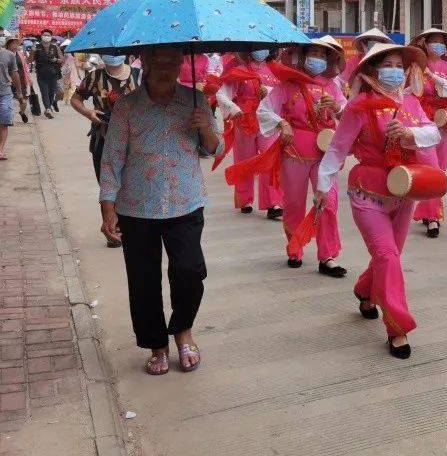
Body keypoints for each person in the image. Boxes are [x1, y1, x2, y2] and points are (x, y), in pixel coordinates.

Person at [98, 46, 222, 375]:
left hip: (186, 202)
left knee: (190, 271)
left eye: (172, 62)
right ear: (146, 64)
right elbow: (111, 159)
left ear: (182, 64)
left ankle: (183, 330)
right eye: (158, 62)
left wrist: (205, 127)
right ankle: (157, 344)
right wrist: (107, 207)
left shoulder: (195, 101)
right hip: (137, 208)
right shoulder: (127, 107)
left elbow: (214, 148)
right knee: (143, 280)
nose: (165, 68)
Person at [317, 43, 440, 358]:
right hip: (367, 192)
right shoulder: (359, 106)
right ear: (371, 71)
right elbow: (338, 148)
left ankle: (364, 291)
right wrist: (323, 183)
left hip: (404, 189)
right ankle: (397, 328)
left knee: (391, 255)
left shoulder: (410, 102)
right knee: (387, 255)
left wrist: (411, 134)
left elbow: (434, 133)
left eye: (400, 65)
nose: (395, 71)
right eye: (388, 64)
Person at [257, 37, 348, 275]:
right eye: (313, 53)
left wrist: (337, 108)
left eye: (321, 54)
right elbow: (265, 110)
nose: (316, 58)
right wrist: (281, 124)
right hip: (294, 152)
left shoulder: (333, 86)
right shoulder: (287, 85)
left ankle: (327, 255)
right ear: (302, 56)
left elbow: (349, 113)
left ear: (328, 60)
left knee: (328, 202)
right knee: (294, 203)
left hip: (325, 153)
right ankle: (295, 248)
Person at [70, 53, 142, 224]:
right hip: (103, 138)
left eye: (117, 51)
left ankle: (132, 224)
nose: (113, 55)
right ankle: (111, 227)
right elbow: (75, 99)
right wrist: (88, 112)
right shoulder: (94, 76)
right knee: (107, 185)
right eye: (108, 52)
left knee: (133, 183)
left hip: (135, 141)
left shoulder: (139, 75)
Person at [215, 49, 284, 219]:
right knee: (245, 159)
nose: (260, 50)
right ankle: (244, 199)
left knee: (270, 159)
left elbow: (283, 95)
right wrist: (234, 109)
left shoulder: (274, 69)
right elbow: (222, 94)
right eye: (255, 46)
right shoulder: (239, 69)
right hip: (244, 121)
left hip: (267, 121)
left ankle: (273, 202)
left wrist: (268, 93)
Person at [410, 28, 447, 236]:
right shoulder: (415, 67)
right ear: (425, 44)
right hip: (422, 119)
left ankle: (429, 212)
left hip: (444, 120)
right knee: (428, 166)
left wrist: (434, 77)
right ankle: (432, 217)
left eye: (441, 42)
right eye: (433, 41)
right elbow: (411, 90)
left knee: (440, 169)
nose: (438, 45)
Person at [343, 27, 393, 97]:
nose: (376, 46)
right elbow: (344, 84)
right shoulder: (353, 61)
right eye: (372, 43)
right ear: (364, 44)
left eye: (379, 43)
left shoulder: (387, 61)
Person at [0, 39, 25, 161]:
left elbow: (14, 74)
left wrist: (20, 93)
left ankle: (0, 150)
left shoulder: (9, 55)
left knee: (4, 121)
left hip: (5, 92)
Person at [32, 29, 63, 117]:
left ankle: (49, 106)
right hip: (41, 74)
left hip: (53, 74)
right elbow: (29, 60)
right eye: (44, 35)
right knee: (44, 92)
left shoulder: (55, 47)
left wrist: (56, 60)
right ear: (41, 36)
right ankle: (48, 109)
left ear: (51, 37)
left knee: (51, 92)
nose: (46, 37)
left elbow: (62, 60)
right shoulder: (37, 47)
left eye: (48, 35)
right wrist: (32, 51)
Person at [3, 36, 29, 124]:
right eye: (13, 44)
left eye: (16, 43)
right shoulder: (4, 55)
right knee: (9, 101)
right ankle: (10, 119)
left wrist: (28, 79)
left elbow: (25, 67)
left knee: (23, 101)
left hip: (20, 80)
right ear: (8, 45)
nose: (15, 46)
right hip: (8, 82)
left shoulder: (20, 54)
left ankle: (22, 112)